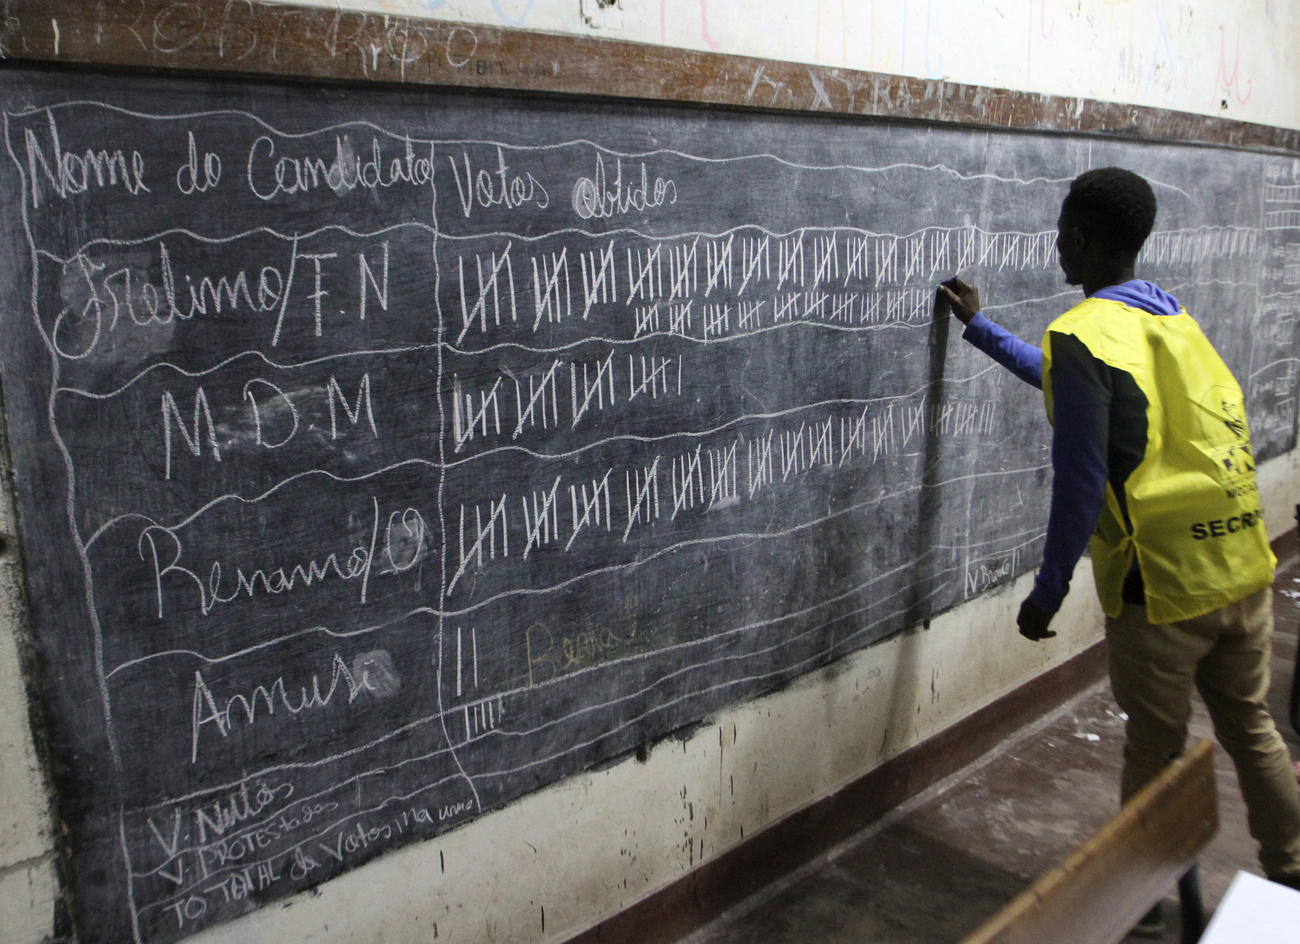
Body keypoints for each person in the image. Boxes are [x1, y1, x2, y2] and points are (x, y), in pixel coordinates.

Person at [937, 166, 1300, 932]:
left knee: (1154, 753)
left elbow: (1080, 480)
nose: (1056, 243)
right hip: (1240, 565)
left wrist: (1047, 593)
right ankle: (1293, 871)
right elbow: (1071, 390)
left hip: (1162, 589)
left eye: (1064, 230)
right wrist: (982, 328)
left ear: (1082, 237)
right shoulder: (1168, 317)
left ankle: (1139, 902)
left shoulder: (1083, 335)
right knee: (1254, 730)